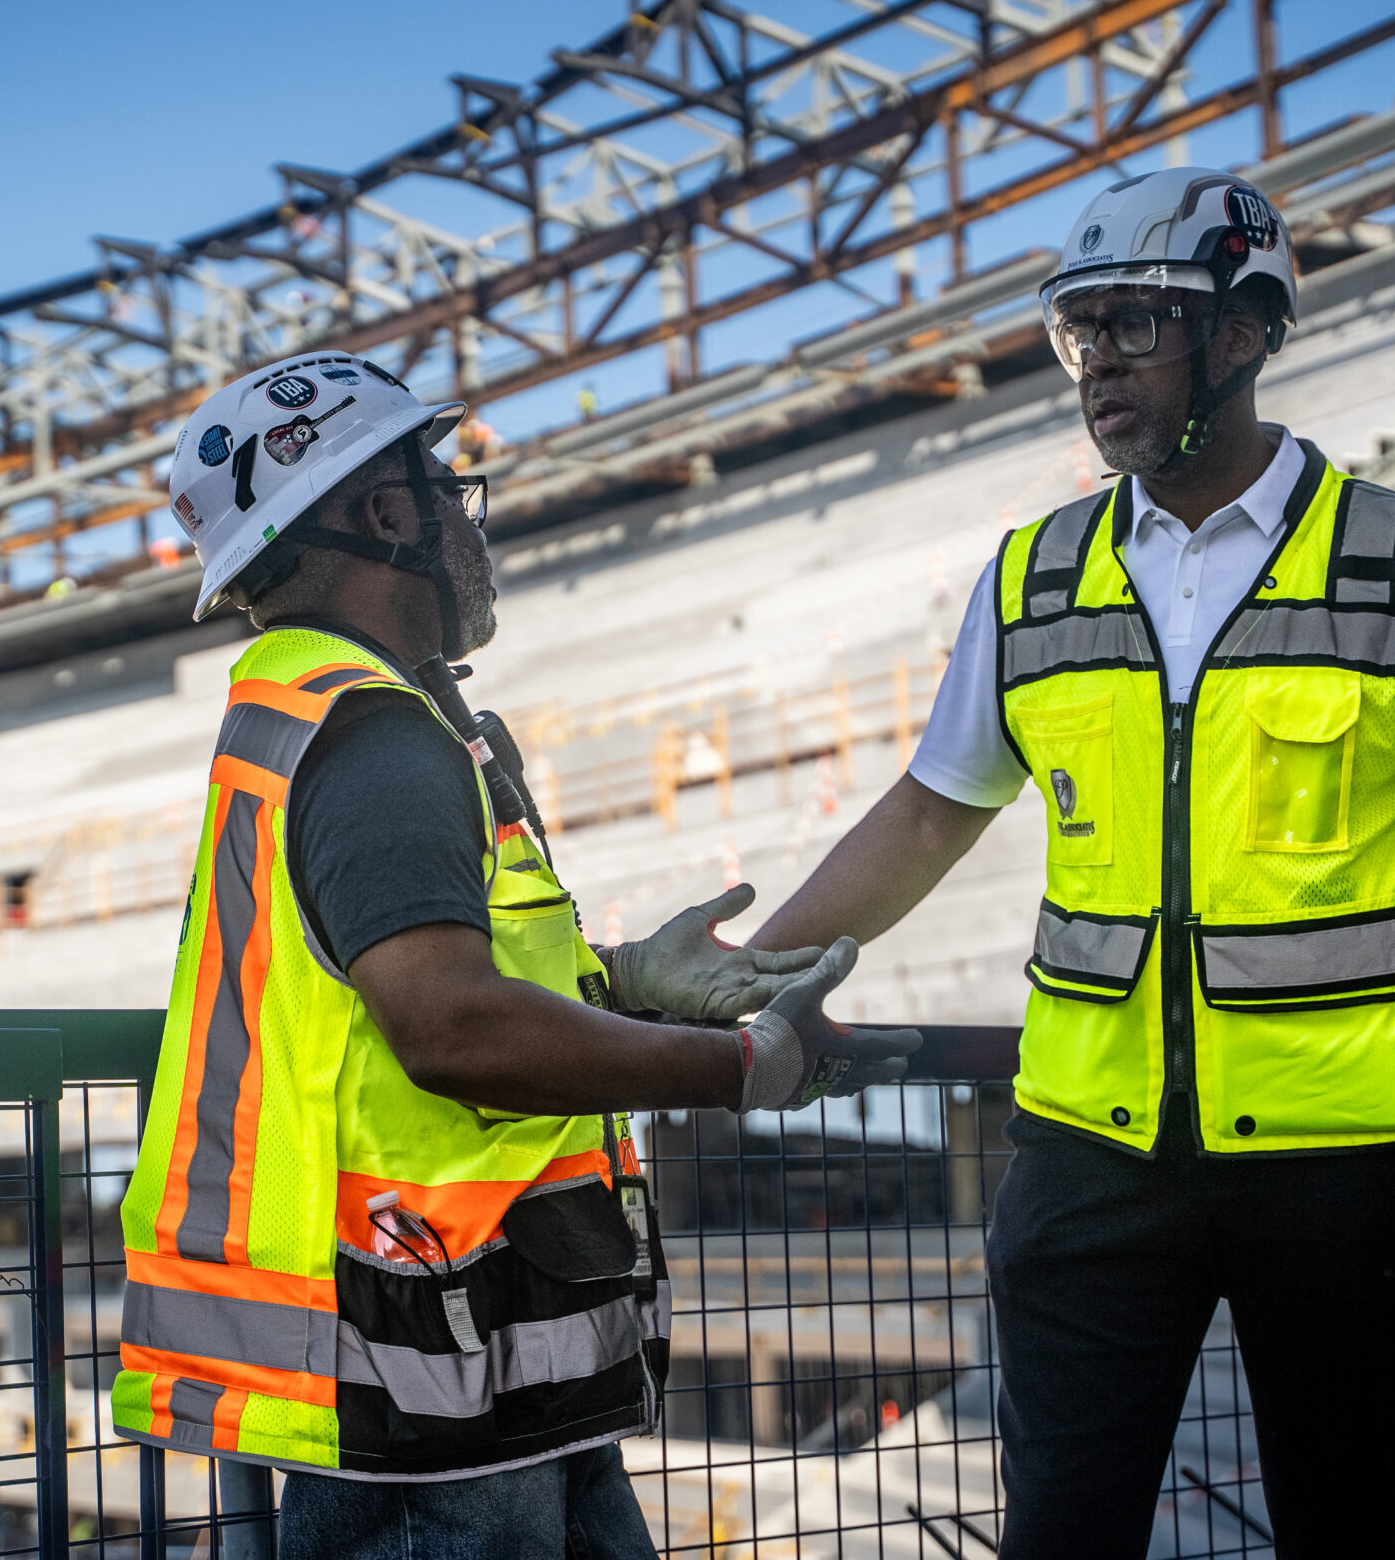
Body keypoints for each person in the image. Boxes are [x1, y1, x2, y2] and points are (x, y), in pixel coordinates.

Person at [748, 168, 1395, 1558]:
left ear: (1246, 331)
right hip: (1088, 1160)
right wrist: (744, 975)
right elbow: (925, 814)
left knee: (1351, 1529)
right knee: (1062, 1535)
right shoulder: (1031, 575)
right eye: (1084, 331)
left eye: (1137, 322)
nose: (1099, 364)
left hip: (1350, 1162)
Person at [113, 354, 921, 1558]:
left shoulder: (347, 712)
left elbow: (419, 983)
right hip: (421, 1373)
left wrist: (618, 982)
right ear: (386, 516)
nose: (458, 510)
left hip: (473, 1359)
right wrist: (738, 1067)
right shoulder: (372, 735)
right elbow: (448, 1027)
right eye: (436, 484)